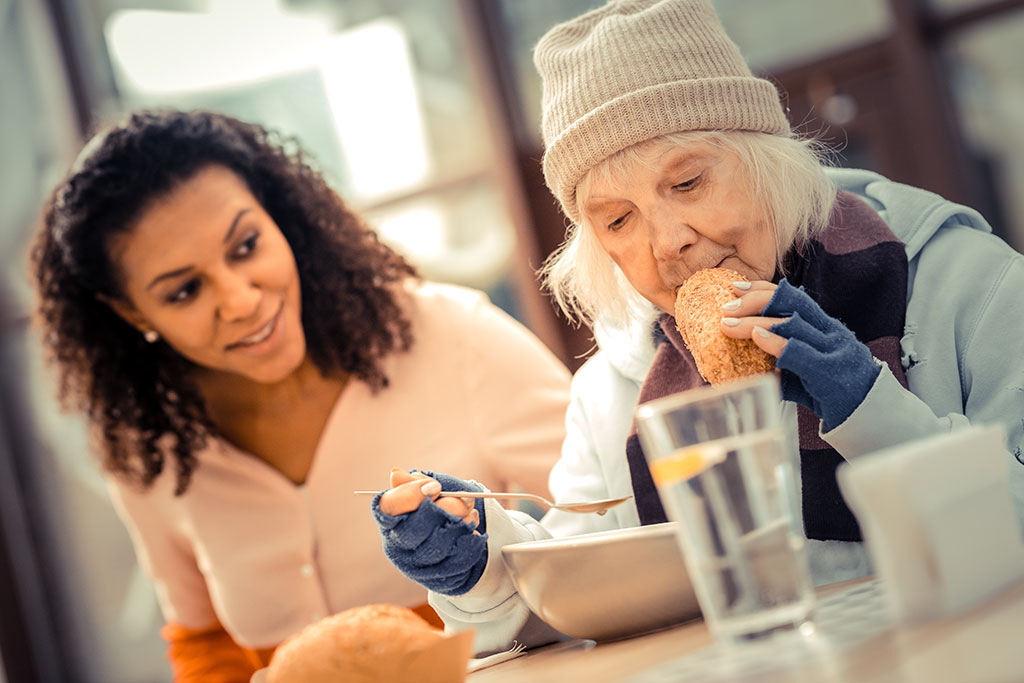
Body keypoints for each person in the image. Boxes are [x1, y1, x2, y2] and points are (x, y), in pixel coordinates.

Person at [371, 0, 1024, 656]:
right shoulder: (610, 389)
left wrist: (868, 403)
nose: (669, 242)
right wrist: (483, 565)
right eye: (619, 220)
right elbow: (585, 597)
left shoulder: (965, 279)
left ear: (764, 158)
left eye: (687, 181)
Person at [30, 109, 571, 680]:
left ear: (279, 217)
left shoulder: (452, 336)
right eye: (186, 290)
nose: (239, 301)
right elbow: (206, 644)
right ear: (131, 312)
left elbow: (609, 512)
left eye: (245, 246)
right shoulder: (148, 449)